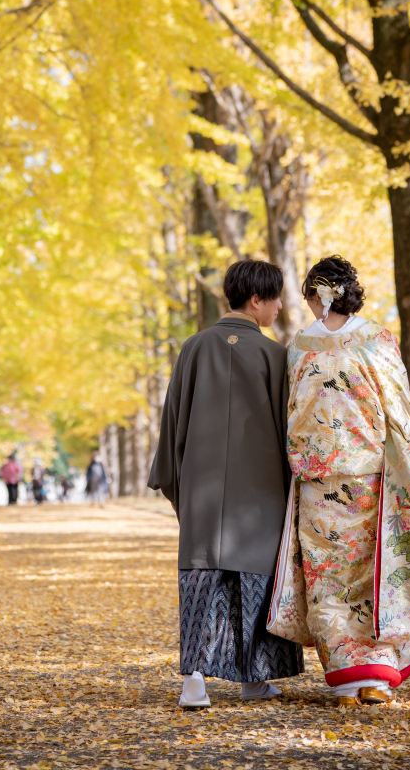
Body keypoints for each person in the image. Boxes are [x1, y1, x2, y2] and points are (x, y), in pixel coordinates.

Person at [267, 255, 410, 709]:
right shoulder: (375, 339)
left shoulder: (299, 346)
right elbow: (399, 403)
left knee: (328, 575)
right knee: (373, 573)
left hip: (316, 480)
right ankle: (378, 679)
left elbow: (290, 408)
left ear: (317, 295)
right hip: (367, 476)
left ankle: (345, 680)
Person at [148, 259, 304, 709]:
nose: (277, 307)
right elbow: (289, 430)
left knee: (203, 579)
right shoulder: (277, 355)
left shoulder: (194, 347)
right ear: (256, 300)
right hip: (260, 492)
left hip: (203, 486)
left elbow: (173, 420)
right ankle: (254, 680)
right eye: (274, 299)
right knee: (255, 580)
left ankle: (194, 683)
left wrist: (172, 475)